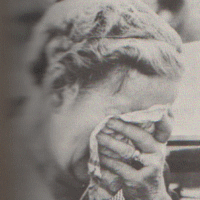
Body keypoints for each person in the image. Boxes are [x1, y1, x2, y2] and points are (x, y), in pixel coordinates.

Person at [27, 0, 184, 199]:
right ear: (58, 90)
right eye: (124, 120)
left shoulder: (144, 175)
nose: (130, 148)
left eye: (150, 123)